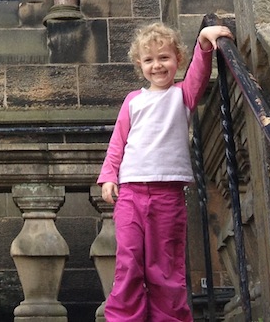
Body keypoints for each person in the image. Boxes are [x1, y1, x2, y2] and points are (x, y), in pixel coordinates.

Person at [97, 20, 234, 322]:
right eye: (149, 60)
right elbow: (118, 141)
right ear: (139, 64)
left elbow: (199, 74)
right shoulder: (133, 101)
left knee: (165, 268)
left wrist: (204, 42)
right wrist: (108, 176)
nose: (157, 65)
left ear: (177, 59)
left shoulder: (182, 96)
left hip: (168, 196)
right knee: (129, 263)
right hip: (130, 194)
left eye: (164, 57)